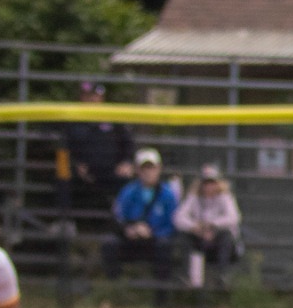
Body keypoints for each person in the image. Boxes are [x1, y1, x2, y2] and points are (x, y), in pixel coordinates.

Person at [107, 148, 178, 284]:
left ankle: (161, 295)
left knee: (164, 246)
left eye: (151, 168)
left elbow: (172, 223)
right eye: (144, 168)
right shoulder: (128, 191)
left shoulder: (168, 194)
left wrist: (152, 233)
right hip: (132, 239)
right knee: (110, 244)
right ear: (137, 170)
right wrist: (129, 229)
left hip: (155, 240)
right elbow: (118, 216)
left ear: (159, 169)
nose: (148, 172)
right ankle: (115, 288)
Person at [62, 82, 136, 213]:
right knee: (62, 176)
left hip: (112, 170)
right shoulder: (73, 120)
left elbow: (128, 143)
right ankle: (66, 222)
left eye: (96, 97)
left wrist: (126, 162)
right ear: (82, 98)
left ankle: (124, 222)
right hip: (83, 171)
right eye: (88, 97)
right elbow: (65, 148)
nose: (92, 100)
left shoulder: (112, 118)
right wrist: (76, 164)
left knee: (129, 180)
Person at [174, 164, 243, 284]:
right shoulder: (193, 197)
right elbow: (178, 218)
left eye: (212, 183)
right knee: (184, 237)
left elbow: (234, 217)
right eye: (205, 183)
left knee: (226, 236)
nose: (209, 186)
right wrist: (195, 227)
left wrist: (212, 225)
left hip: (218, 240)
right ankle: (186, 276)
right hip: (200, 238)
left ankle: (222, 276)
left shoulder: (225, 197)